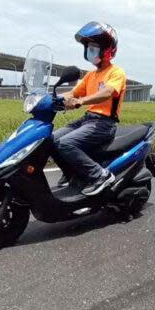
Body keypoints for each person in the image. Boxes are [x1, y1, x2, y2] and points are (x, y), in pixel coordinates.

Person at [52, 21, 127, 196]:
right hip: (88, 120)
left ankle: (100, 175)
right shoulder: (90, 75)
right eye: (88, 47)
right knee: (50, 141)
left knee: (65, 144)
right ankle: (71, 173)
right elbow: (72, 93)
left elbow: (107, 93)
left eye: (94, 46)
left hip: (104, 123)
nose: (89, 51)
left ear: (107, 50)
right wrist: (49, 99)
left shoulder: (116, 72)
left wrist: (80, 101)